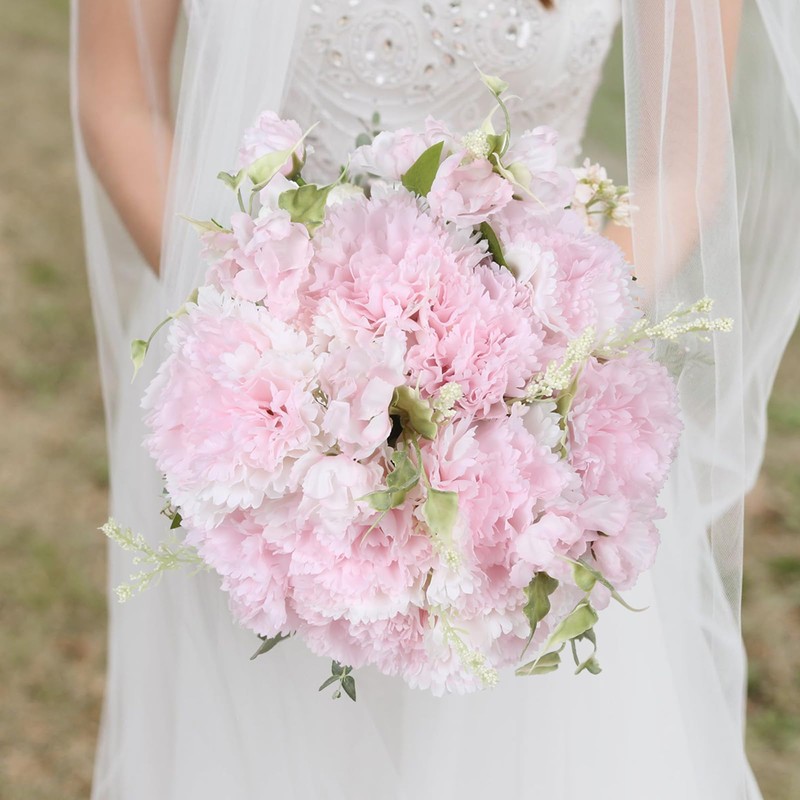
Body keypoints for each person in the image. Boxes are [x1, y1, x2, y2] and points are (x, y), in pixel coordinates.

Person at [71, 1, 800, 797]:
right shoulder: (269, 383)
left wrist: (544, 350)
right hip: (264, 412)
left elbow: (682, 168)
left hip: (527, 436)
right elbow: (119, 101)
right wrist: (282, 346)